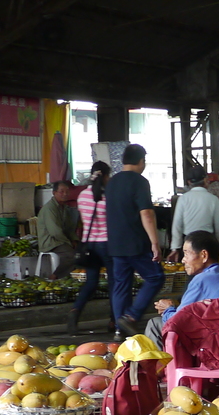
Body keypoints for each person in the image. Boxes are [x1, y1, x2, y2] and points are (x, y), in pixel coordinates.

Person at [148, 230, 219, 345]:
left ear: (204, 255)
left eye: (186, 254)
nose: (183, 260)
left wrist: (168, 309)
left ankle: (160, 363)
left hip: (216, 344)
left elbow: (177, 321)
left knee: (154, 324)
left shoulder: (201, 280)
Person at [105, 144, 164, 338]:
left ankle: (119, 328)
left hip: (115, 243)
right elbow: (146, 213)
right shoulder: (139, 181)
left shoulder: (112, 182)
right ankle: (130, 317)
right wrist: (155, 242)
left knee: (122, 285)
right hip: (136, 242)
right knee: (155, 277)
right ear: (141, 161)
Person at [71, 161, 112, 334]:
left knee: (91, 282)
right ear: (105, 176)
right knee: (115, 283)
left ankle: (74, 314)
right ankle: (114, 320)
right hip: (107, 244)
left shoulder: (82, 196)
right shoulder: (108, 197)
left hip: (88, 245)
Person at [169, 164, 219, 261]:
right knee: (208, 271)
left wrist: (175, 248)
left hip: (189, 243)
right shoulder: (213, 199)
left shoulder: (183, 199)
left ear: (189, 182)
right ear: (205, 180)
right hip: (208, 243)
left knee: (191, 271)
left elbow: (177, 225)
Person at [36, 180, 81, 278]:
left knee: (82, 251)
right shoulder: (49, 209)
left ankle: (74, 277)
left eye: (67, 191)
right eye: (61, 191)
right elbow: (55, 232)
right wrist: (68, 243)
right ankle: (55, 276)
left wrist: (74, 240)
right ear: (54, 193)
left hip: (60, 240)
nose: (65, 194)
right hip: (50, 242)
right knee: (72, 255)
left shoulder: (64, 208)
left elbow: (69, 228)